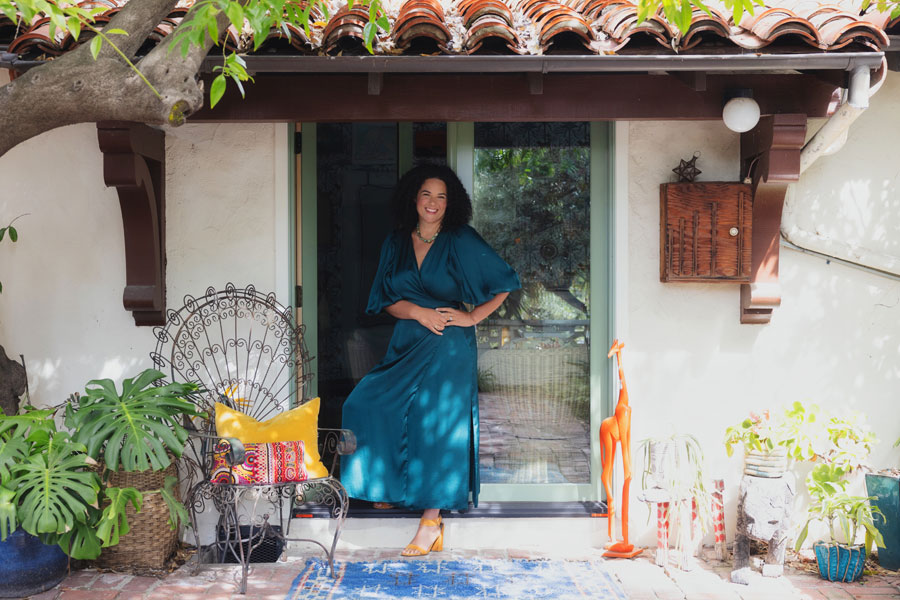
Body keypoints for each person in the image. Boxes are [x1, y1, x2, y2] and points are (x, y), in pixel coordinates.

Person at [340, 164, 520, 557]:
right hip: (408, 340)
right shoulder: (396, 242)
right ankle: (384, 487)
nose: (433, 203)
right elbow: (386, 299)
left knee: (435, 424)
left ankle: (430, 521)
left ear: (450, 202)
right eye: (426, 194)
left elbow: (506, 281)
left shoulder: (460, 240)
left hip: (449, 344)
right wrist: (418, 312)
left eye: (441, 196)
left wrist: (472, 316)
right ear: (413, 198)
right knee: (365, 403)